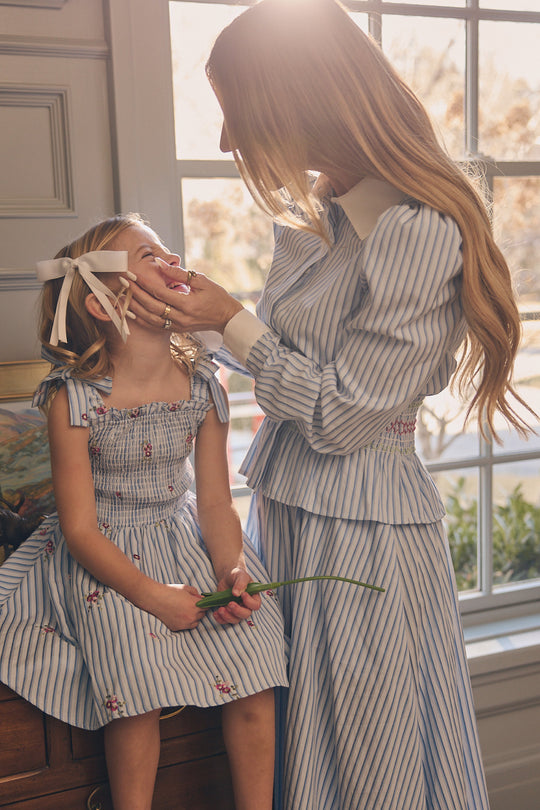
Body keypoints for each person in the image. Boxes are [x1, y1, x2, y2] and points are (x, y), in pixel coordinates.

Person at [121, 2, 536, 808]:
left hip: (366, 539)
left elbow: (343, 417)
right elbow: (296, 367)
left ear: (296, 102)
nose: (226, 142)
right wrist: (188, 315)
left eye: (237, 115)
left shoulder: (417, 231)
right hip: (298, 520)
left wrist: (230, 321)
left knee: (372, 763)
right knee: (319, 752)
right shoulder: (326, 221)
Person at [0, 213, 288, 810]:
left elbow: (212, 501)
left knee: (259, 662)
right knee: (135, 685)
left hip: (178, 531)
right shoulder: (73, 396)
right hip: (104, 552)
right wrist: (152, 596)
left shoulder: (203, 383)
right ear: (105, 303)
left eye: (167, 252)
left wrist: (232, 567)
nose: (172, 260)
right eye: (149, 256)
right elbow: (77, 527)